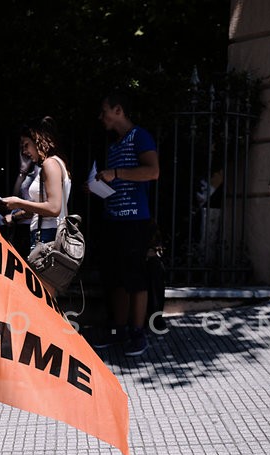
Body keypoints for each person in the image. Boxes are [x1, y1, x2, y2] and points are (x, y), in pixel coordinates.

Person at [94, 90, 160, 355]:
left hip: (134, 220)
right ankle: (119, 330)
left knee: (136, 278)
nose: (101, 117)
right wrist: (98, 185)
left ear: (118, 110)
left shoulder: (139, 136)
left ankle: (138, 332)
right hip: (114, 220)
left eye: (104, 111)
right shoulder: (115, 145)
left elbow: (153, 171)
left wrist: (116, 173)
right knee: (116, 279)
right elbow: (116, 182)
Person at [3, 117, 71, 254]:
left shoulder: (49, 164)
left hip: (48, 235)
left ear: (38, 140)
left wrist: (18, 202)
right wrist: (16, 216)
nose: (24, 151)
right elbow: (42, 209)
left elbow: (54, 208)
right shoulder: (55, 163)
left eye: (26, 144)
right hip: (49, 234)